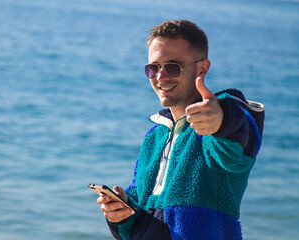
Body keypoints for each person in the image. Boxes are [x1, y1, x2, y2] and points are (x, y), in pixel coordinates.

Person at [95, 20, 265, 240]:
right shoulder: (155, 136)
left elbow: (236, 142)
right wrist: (121, 214)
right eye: (153, 68)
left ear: (202, 68)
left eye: (173, 67)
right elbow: (141, 215)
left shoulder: (216, 129)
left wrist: (222, 119)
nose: (161, 76)